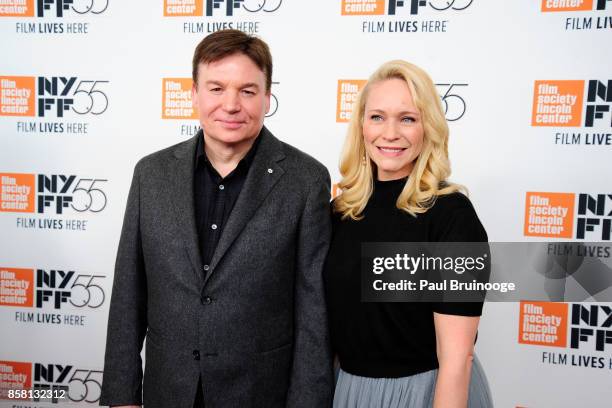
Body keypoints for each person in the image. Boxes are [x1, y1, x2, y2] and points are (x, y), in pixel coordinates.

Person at [100, 29, 333, 408]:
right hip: (168, 392)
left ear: (267, 98)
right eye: (216, 88)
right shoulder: (151, 174)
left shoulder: (306, 180)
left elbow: (314, 313)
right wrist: (122, 396)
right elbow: (129, 294)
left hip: (259, 394)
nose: (230, 104)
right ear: (193, 95)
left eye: (247, 90)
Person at [324, 60, 494, 408]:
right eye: (377, 117)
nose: (390, 133)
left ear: (428, 127)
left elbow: (457, 359)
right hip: (350, 392)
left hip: (427, 393)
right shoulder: (341, 212)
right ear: (361, 125)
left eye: (407, 118)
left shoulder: (451, 216)